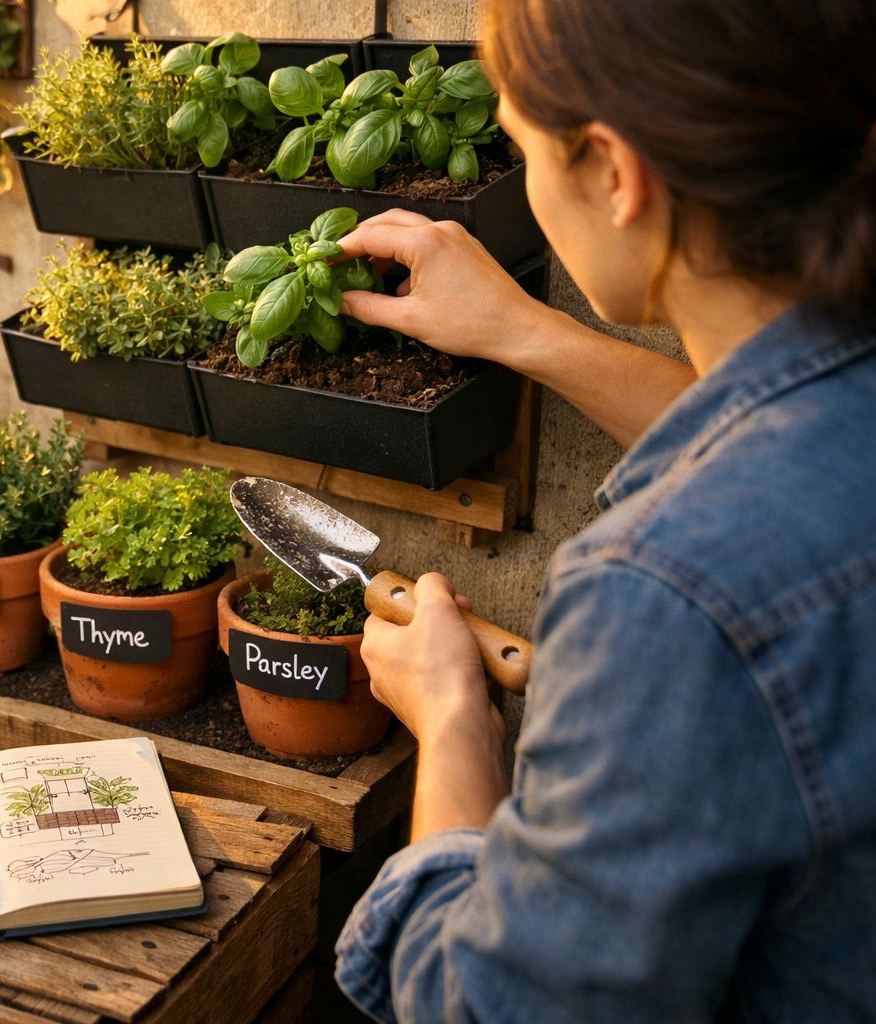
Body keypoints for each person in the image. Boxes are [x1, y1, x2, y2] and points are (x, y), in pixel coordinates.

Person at [330, 0, 876, 1020]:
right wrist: (526, 332)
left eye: (523, 148)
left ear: (615, 174)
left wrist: (453, 724)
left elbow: (488, 1007)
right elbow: (785, 443)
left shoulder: (662, 598)